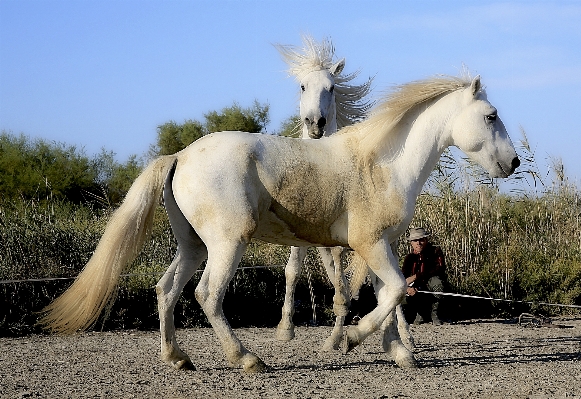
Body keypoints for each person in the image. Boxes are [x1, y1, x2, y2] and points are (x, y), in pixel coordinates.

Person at [401, 227, 446, 326]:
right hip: (417, 288)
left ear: (426, 240)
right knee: (402, 296)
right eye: (415, 240)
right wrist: (408, 288)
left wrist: (416, 276)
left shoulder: (436, 251)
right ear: (411, 243)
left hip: (430, 284)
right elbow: (403, 276)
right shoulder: (409, 258)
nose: (418, 243)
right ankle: (421, 313)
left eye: (421, 240)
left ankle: (435, 314)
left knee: (437, 283)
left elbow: (439, 269)